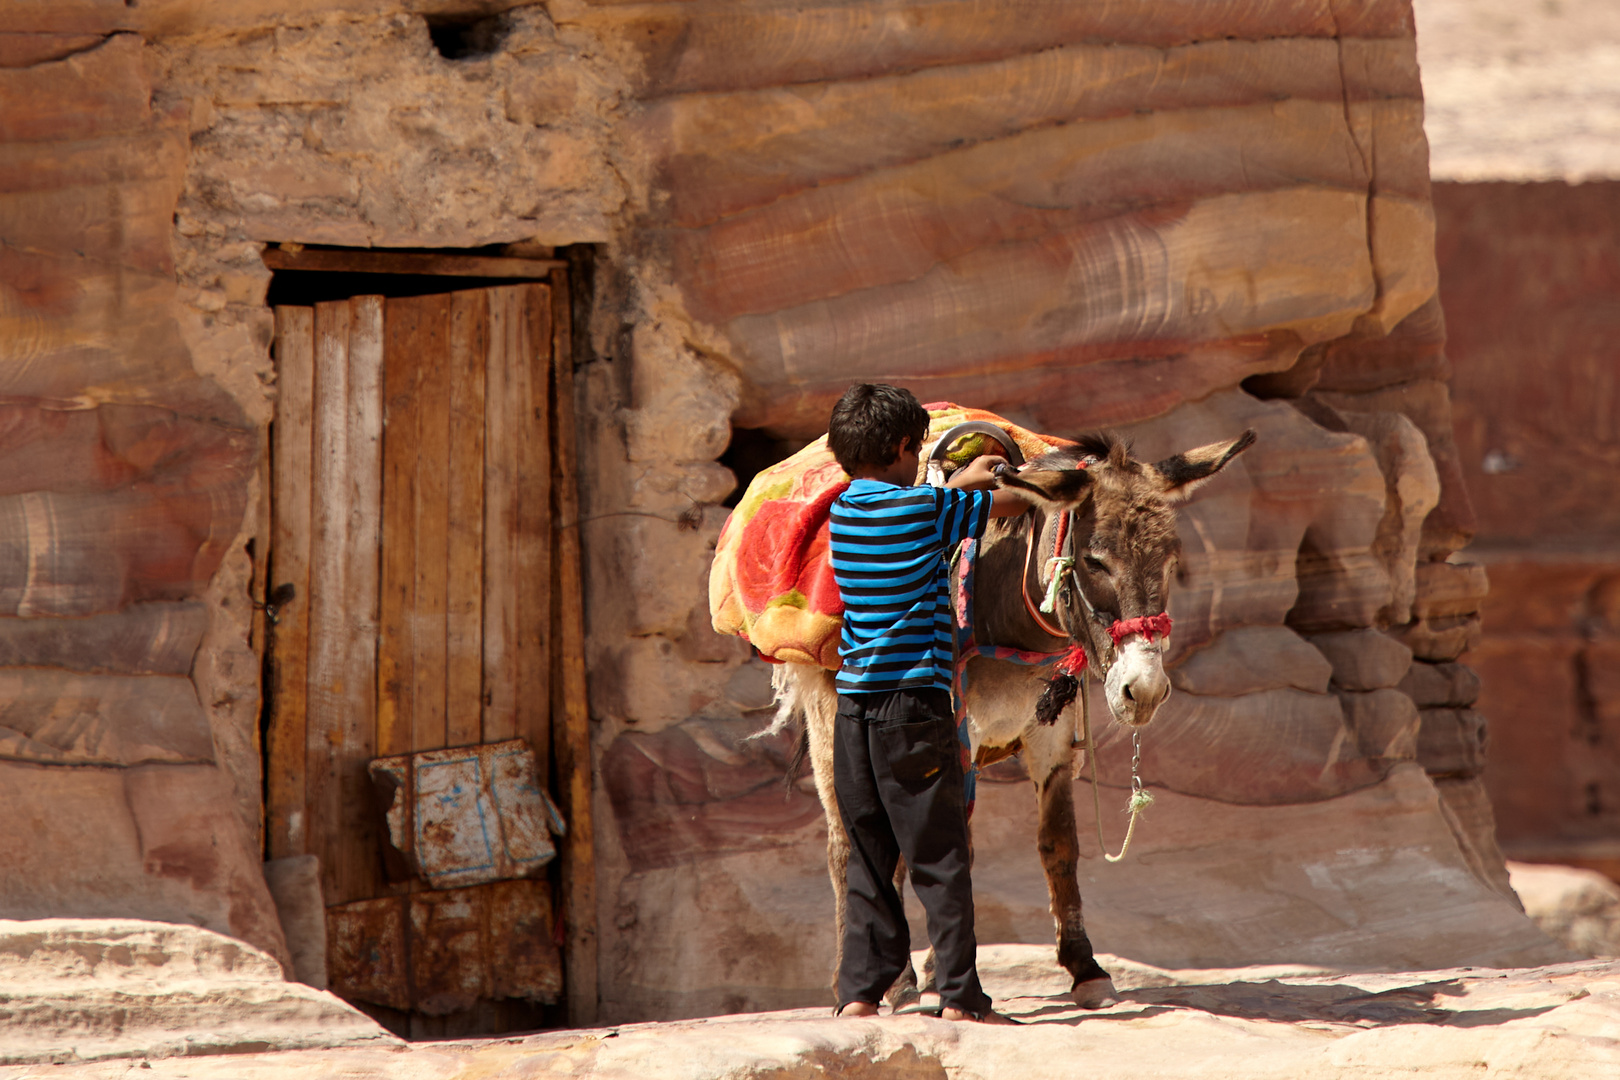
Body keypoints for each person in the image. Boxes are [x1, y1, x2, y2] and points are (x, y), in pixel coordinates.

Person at [825, 384, 1029, 1023]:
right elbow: (1012, 501)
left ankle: (860, 993)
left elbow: (937, 499)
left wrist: (955, 481)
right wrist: (992, 475)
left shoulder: (843, 512)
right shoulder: (926, 512)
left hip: (853, 711)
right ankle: (962, 996)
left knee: (870, 854)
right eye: (913, 450)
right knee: (939, 853)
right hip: (912, 707)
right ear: (900, 447)